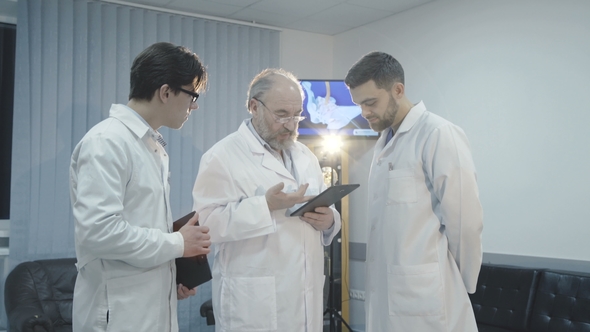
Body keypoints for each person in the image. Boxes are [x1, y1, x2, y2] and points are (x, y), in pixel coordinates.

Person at [69, 42, 212, 331]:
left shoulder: (151, 145)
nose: (194, 105)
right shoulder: (107, 142)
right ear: (166, 92)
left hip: (148, 308)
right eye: (192, 95)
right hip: (117, 314)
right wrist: (178, 243)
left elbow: (142, 230)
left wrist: (172, 274)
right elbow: (98, 233)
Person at [192, 68, 342, 332]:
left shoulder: (305, 155)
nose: (291, 124)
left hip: (304, 300)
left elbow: (324, 210)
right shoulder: (222, 156)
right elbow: (205, 226)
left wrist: (330, 220)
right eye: (282, 115)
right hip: (254, 306)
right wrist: (265, 206)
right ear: (254, 107)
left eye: (297, 115)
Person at [345, 51, 483, 331]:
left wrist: (459, 281)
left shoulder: (438, 133)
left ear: (398, 90)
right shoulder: (385, 142)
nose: (365, 113)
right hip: (390, 293)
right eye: (359, 104)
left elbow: (465, 220)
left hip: (425, 293)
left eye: (371, 102)